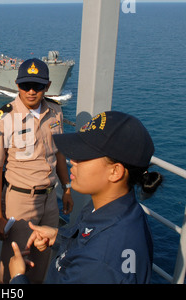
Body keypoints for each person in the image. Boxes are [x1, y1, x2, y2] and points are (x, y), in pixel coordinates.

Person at [9, 111, 163, 284]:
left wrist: (17, 277)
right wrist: (59, 237)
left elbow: (96, 259)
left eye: (84, 154)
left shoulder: (101, 262)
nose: (72, 160)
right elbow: (89, 241)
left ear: (115, 171)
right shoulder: (110, 209)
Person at [0, 58, 74, 284]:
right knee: (15, 260)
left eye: (38, 86)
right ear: (17, 85)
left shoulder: (55, 112)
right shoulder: (2, 119)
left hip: (50, 198)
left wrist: (67, 188)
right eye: (26, 86)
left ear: (48, 85)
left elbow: (59, 154)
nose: (31, 91)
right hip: (20, 201)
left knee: (43, 260)